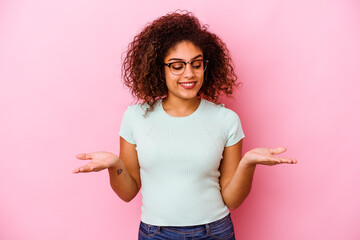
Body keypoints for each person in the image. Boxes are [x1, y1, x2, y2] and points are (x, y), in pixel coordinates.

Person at [73, 11, 297, 240]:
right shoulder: (135, 117)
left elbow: (232, 200)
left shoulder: (227, 120)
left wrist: (248, 163)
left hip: (215, 232)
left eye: (196, 64)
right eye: (177, 66)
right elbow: (128, 192)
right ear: (159, 68)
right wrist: (114, 164)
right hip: (155, 234)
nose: (189, 74)